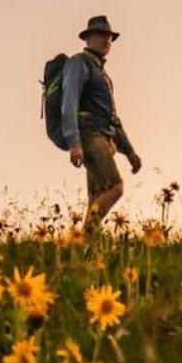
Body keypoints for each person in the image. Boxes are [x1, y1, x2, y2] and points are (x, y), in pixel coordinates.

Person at [60, 14, 143, 232]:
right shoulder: (78, 63)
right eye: (100, 35)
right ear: (88, 39)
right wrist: (74, 142)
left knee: (97, 194)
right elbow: (69, 103)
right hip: (88, 134)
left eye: (109, 36)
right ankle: (85, 236)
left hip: (103, 135)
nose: (106, 40)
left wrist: (129, 151)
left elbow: (112, 118)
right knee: (115, 187)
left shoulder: (103, 75)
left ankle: (85, 249)